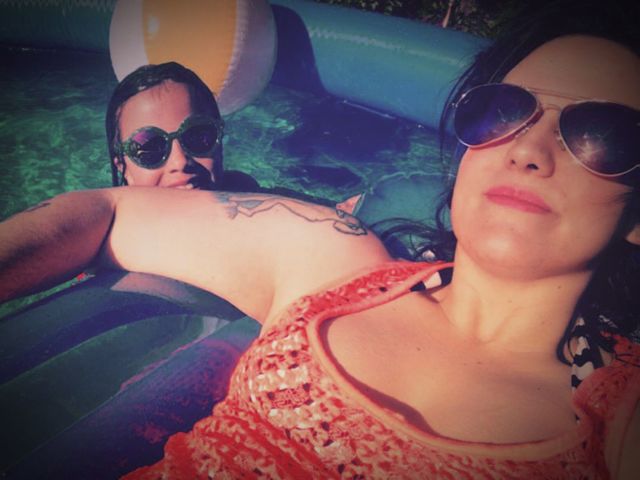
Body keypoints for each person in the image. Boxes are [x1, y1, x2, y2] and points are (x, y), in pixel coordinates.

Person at [1, 1, 639, 478]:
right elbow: (104, 211)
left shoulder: (614, 417)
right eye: (504, 111)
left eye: (601, 134)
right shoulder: (336, 261)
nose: (528, 149)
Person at [106, 61, 259, 191]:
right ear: (123, 168)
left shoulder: (241, 189)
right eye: (150, 148)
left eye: (199, 137)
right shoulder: (114, 216)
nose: (180, 162)